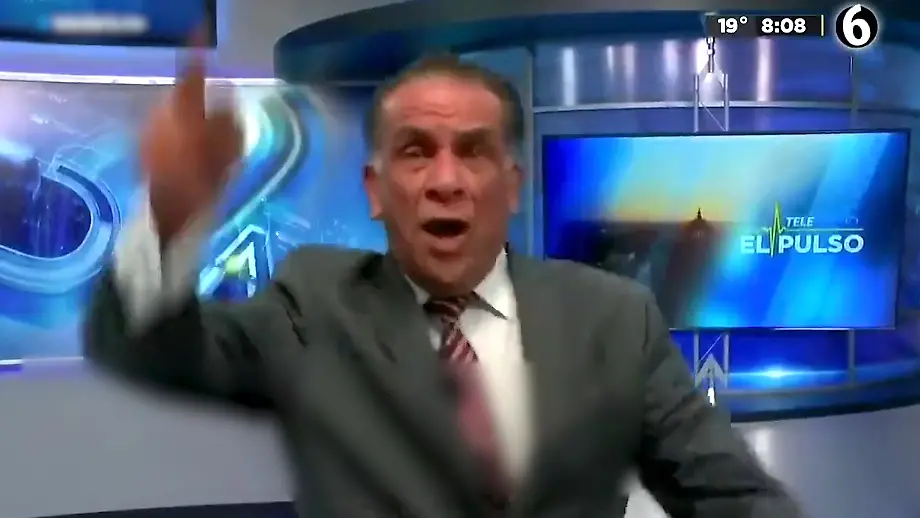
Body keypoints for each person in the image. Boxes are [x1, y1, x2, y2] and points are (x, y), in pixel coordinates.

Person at [83, 50, 801, 518]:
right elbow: (146, 345)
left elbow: (732, 496)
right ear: (375, 190)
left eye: (474, 152)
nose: (446, 181)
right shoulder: (314, 304)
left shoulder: (614, 317)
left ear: (512, 186)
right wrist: (170, 215)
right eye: (416, 152)